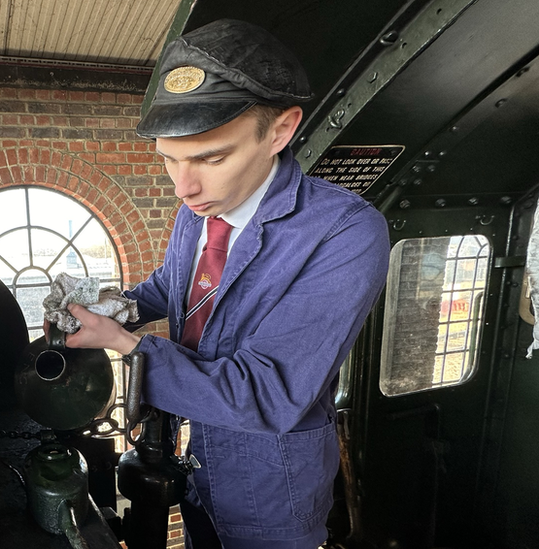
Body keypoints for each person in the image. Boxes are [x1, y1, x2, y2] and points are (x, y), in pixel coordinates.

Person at [60, 19, 391, 549]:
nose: (185, 185)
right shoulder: (199, 210)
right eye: (169, 160)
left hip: (269, 485)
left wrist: (128, 346)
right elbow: (175, 284)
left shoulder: (346, 232)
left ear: (280, 131)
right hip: (192, 458)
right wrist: (117, 308)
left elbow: (270, 394)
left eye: (212, 158)